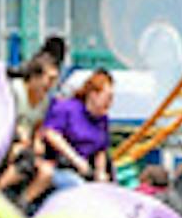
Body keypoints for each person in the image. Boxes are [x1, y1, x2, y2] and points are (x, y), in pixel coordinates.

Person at [19, 68, 115, 208]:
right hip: (57, 165)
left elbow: (100, 149)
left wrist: (100, 172)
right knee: (76, 187)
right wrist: (76, 159)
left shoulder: (102, 120)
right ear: (93, 94)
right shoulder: (67, 108)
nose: (110, 103)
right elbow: (51, 133)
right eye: (107, 98)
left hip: (84, 171)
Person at [0, 44, 64, 195]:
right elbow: (0, 117)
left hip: (25, 145)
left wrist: (37, 140)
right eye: (49, 79)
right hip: (5, 140)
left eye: (54, 80)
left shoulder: (44, 101)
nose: (51, 85)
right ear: (35, 77)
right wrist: (18, 133)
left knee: (46, 171)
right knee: (24, 157)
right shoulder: (15, 92)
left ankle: (22, 203)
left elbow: (38, 126)